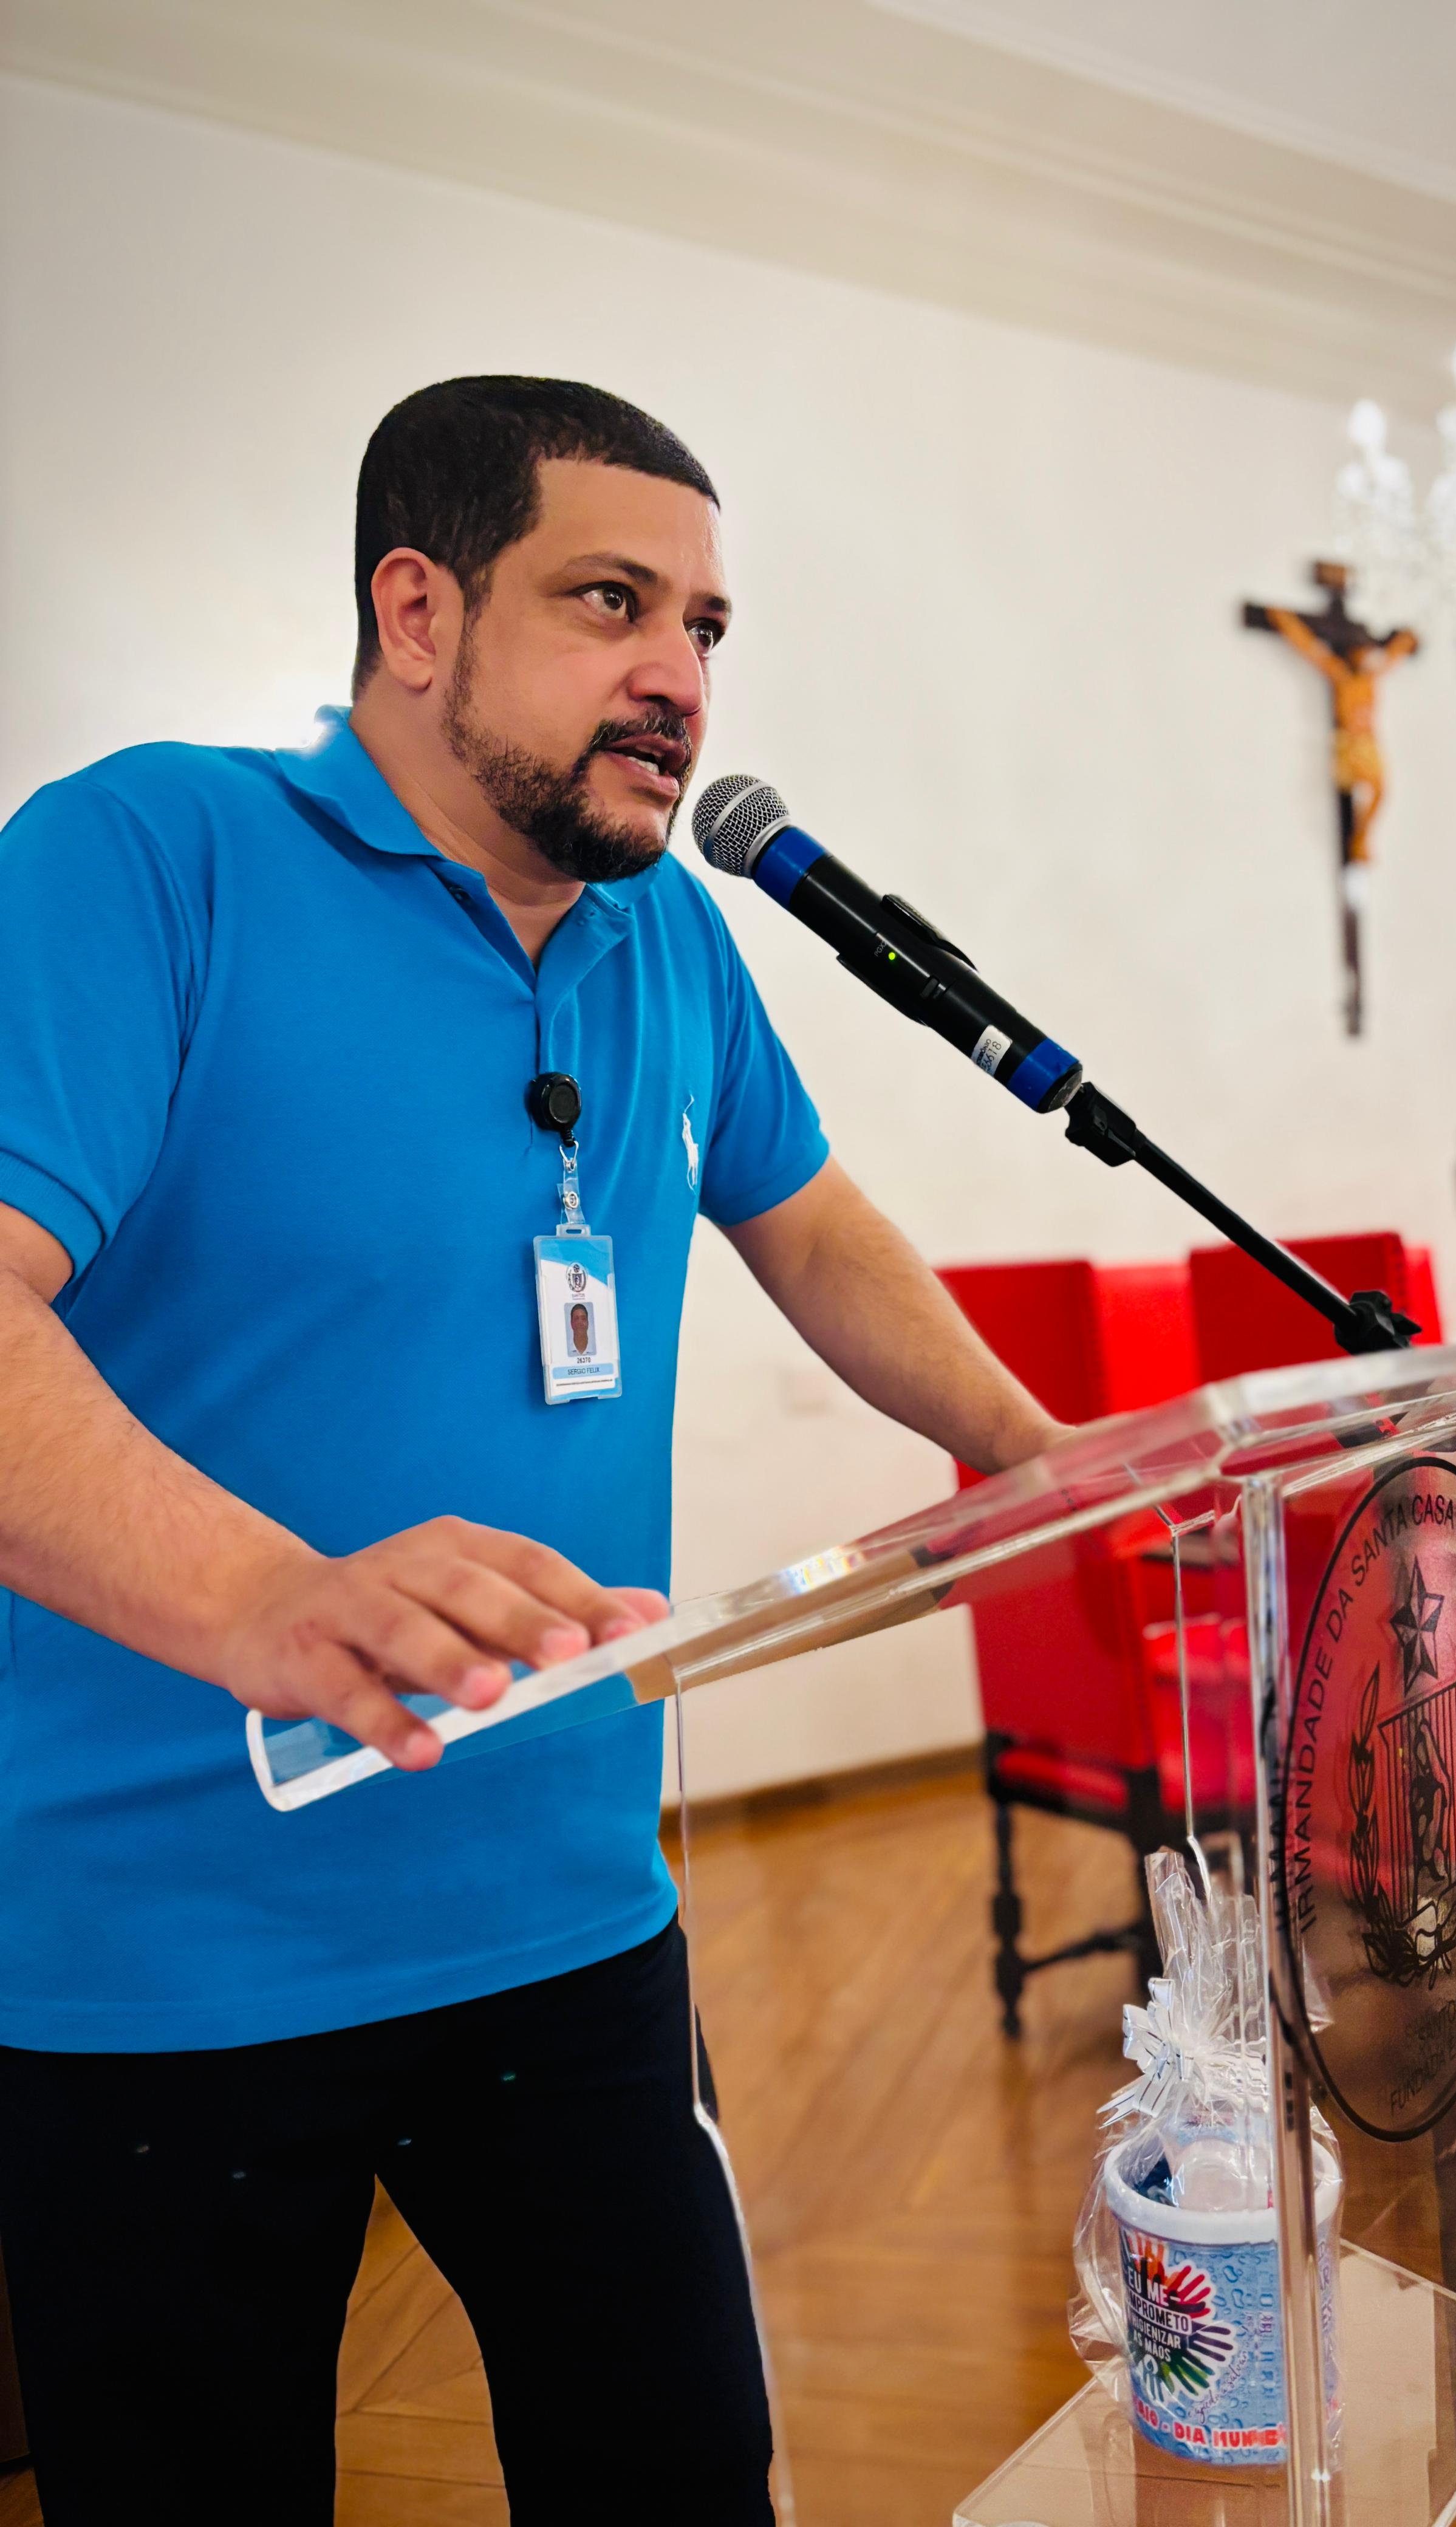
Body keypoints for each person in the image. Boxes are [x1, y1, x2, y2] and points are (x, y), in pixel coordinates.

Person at [0, 376, 1064, 2525]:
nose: (678, 675)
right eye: (610, 602)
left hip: (570, 1909)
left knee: (679, 2475)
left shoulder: (671, 933)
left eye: (705, 627)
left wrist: (1029, 1447)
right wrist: (268, 1597)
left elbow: (812, 1224)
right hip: (164, 1951)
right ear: (418, 612)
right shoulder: (148, 856)